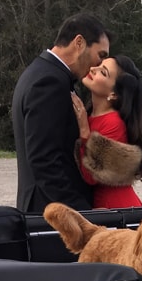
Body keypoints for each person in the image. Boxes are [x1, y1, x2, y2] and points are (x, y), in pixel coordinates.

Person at [12, 14, 110, 213]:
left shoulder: (42, 72)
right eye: (101, 55)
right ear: (79, 43)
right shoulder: (49, 82)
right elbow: (44, 160)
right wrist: (82, 212)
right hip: (52, 216)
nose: (100, 65)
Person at [71, 54, 142, 209]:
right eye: (99, 65)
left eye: (103, 72)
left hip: (114, 208)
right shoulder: (89, 114)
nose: (92, 69)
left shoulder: (113, 122)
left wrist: (84, 130)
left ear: (113, 94)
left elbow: (91, 177)